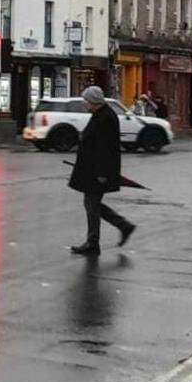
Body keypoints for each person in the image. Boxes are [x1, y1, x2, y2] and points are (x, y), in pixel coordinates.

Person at [69, 86, 135, 255]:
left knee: (92, 204)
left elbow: (106, 148)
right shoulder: (100, 115)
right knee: (92, 203)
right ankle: (123, 226)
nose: (84, 103)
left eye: (86, 100)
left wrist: (102, 173)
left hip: (97, 172)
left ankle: (93, 243)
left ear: (93, 101)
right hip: (93, 170)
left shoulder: (106, 118)